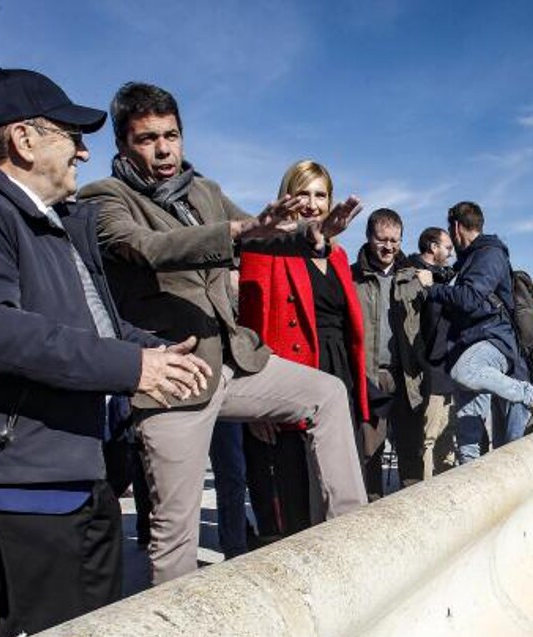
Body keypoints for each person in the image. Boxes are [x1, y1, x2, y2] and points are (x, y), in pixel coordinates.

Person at [0, 68, 211, 637]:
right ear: (23, 139)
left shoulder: (61, 226)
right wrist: (132, 369)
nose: (83, 148)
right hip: (20, 487)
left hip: (82, 472)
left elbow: (92, 325)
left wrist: (149, 350)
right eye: (69, 132)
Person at [79, 83, 366, 583]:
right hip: (176, 379)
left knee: (328, 393)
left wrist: (315, 235)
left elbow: (266, 234)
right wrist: (238, 233)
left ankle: (354, 536)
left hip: (236, 362)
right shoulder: (104, 198)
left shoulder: (204, 190)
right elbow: (147, 247)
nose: (164, 149)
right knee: (175, 540)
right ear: (123, 144)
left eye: (172, 135)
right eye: (148, 139)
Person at [236, 160, 369, 536]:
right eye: (304, 193)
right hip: (292, 373)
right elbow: (249, 326)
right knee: (298, 495)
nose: (312, 204)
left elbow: (349, 328)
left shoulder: (339, 255)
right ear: (287, 196)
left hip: (339, 370)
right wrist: (256, 403)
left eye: (320, 194)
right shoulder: (265, 246)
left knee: (344, 485)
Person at [419, 201, 533, 464]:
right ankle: (469, 482)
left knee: (465, 371)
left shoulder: (489, 254)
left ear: (457, 227)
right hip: (469, 342)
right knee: (467, 431)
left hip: (494, 340)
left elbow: (470, 297)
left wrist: (432, 288)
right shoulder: (470, 258)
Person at [388, 226, 456, 481]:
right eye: (447, 248)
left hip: (444, 372)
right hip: (429, 374)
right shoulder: (412, 278)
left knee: (444, 440)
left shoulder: (437, 278)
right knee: (428, 441)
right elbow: (414, 330)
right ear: (432, 246)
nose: (450, 254)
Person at [353, 208, 412, 494]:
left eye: (395, 240)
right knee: (369, 454)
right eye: (382, 239)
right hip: (369, 377)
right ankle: (371, 515)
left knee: (410, 454)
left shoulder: (413, 278)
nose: (388, 246)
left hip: (406, 378)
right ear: (368, 237)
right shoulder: (352, 279)